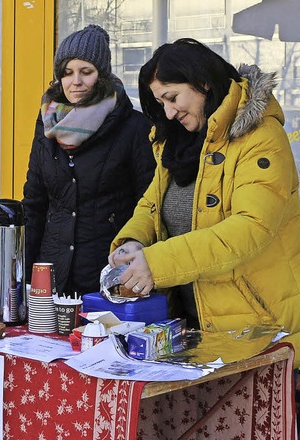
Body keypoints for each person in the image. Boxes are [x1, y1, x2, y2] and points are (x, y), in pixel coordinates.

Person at [108, 38, 300, 363]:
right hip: (191, 331)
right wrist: (133, 241)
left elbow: (249, 228)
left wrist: (159, 263)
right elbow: (152, 203)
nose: (168, 112)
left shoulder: (261, 138)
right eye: (160, 103)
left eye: (172, 98)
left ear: (203, 82)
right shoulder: (178, 143)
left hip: (258, 331)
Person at [23, 24, 155, 296]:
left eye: (86, 72)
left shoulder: (134, 127)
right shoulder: (47, 124)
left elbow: (150, 206)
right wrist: (22, 274)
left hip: (110, 276)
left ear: (102, 75)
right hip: (51, 275)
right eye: (67, 73)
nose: (76, 81)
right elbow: (34, 203)